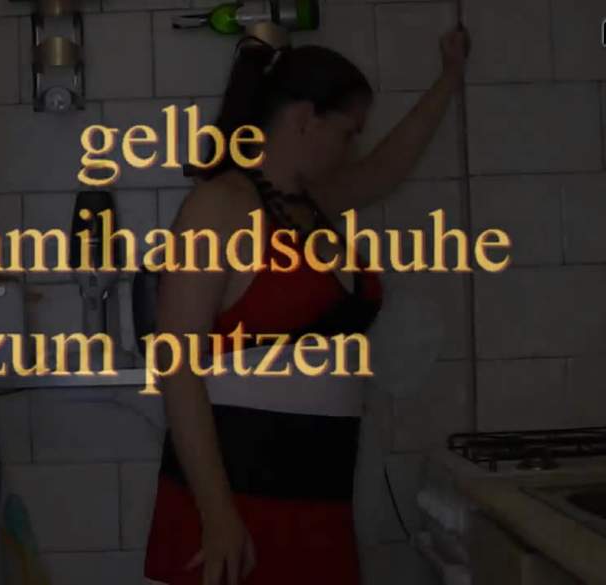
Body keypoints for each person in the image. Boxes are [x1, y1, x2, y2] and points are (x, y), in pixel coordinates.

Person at [142, 26, 471, 585]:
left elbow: (389, 166)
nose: (353, 149)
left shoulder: (311, 205)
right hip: (234, 507)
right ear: (304, 119)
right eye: (347, 133)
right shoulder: (219, 205)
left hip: (320, 502)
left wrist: (449, 79)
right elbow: (177, 366)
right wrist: (218, 517)